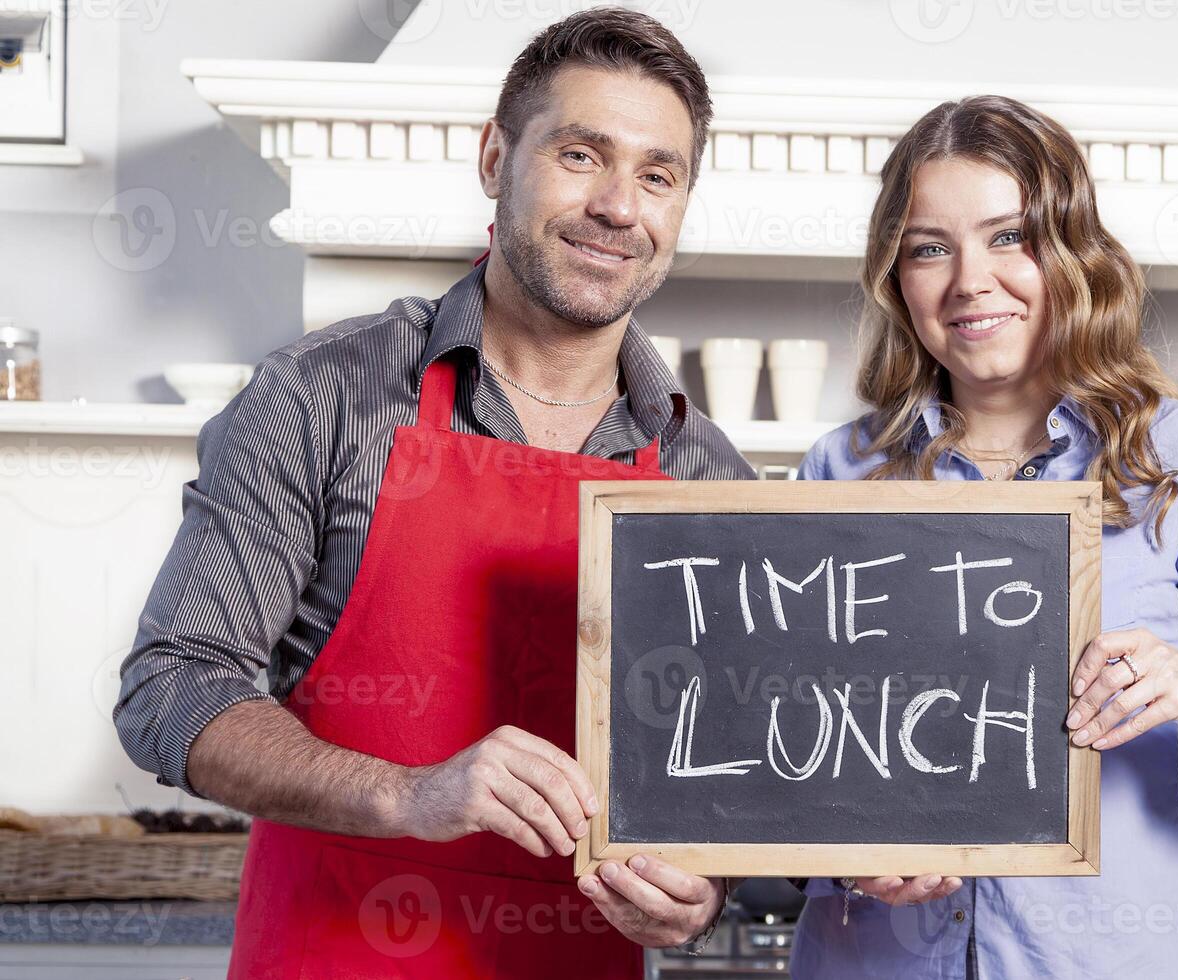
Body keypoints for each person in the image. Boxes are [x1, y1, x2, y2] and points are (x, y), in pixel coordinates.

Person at [113, 10, 750, 977]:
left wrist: (702, 896)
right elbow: (170, 689)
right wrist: (407, 795)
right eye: (581, 154)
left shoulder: (710, 475)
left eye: (658, 175)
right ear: (496, 157)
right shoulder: (322, 397)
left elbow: (738, 770)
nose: (621, 206)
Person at [790, 94, 1178, 978]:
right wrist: (842, 856)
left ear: (1071, 254)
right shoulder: (838, 471)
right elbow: (784, 749)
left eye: (1009, 236)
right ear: (897, 277)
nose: (969, 281)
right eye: (929, 247)